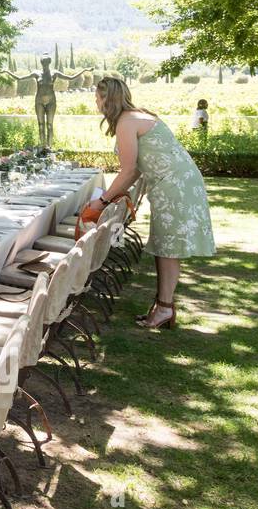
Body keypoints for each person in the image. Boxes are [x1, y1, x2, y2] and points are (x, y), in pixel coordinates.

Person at [80, 77, 215, 330]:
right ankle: (163, 306)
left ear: (108, 99)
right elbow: (138, 168)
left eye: (98, 98)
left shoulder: (126, 121)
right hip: (176, 182)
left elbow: (129, 171)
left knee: (167, 247)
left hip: (175, 185)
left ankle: (164, 308)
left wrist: (102, 201)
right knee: (165, 245)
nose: (96, 103)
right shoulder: (135, 116)